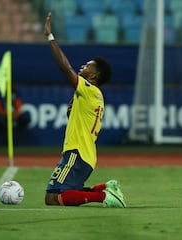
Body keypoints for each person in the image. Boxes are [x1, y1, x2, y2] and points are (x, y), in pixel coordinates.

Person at [44, 12, 126, 208]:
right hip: (83, 154)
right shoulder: (92, 95)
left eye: (88, 65)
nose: (83, 66)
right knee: (57, 195)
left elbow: (65, 68)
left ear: (95, 75)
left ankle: (105, 197)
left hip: (77, 153)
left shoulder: (90, 90)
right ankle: (106, 188)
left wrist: (50, 37)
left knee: (53, 198)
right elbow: (74, 117)